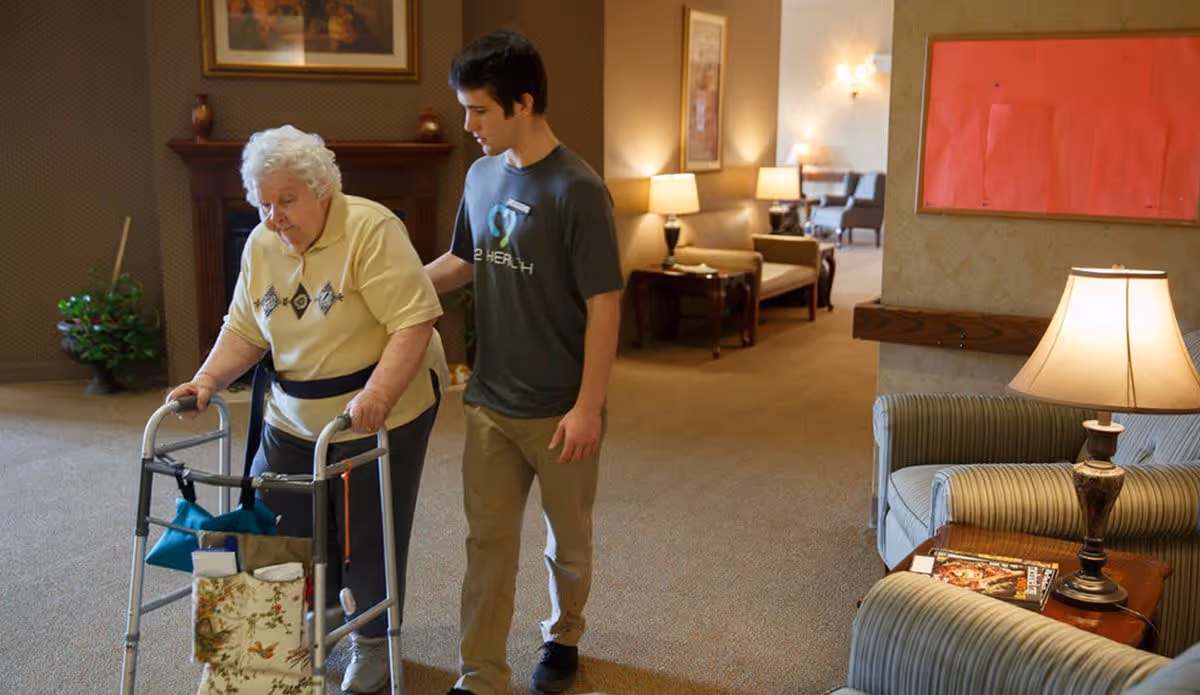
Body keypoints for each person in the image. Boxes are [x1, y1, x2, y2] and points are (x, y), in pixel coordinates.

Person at [166, 125, 447, 694]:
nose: (275, 217)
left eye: (287, 200)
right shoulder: (262, 244)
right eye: (264, 203)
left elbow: (413, 321)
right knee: (283, 526)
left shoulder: (371, 229)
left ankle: (373, 641)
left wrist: (377, 397)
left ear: (323, 190)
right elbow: (244, 329)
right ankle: (299, 626)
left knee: (369, 529)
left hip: (380, 409)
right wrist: (207, 380)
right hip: (291, 414)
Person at [425, 30, 623, 695]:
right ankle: (480, 675)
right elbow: (460, 261)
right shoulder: (481, 175)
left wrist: (589, 406)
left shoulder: (578, 189)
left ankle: (564, 634)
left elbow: (605, 303)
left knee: (567, 544)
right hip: (489, 402)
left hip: (561, 408)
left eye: (479, 110)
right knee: (486, 547)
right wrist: (387, 288)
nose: (468, 124)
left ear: (523, 103)